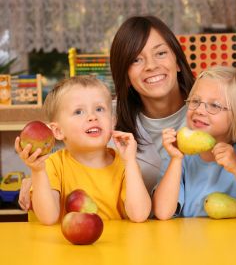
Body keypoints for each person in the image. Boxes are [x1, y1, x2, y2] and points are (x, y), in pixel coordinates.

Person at [18, 15, 195, 210]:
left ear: (177, 61)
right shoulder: (106, 114)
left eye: (160, 53)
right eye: (136, 60)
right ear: (125, 75)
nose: (151, 66)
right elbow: (76, 148)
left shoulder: (210, 110)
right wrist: (38, 176)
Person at [15, 76, 151, 224]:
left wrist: (131, 162)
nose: (92, 117)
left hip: (115, 246)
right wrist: (38, 171)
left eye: (99, 109)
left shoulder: (125, 165)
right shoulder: (52, 165)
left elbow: (139, 215)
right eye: (79, 112)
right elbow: (48, 218)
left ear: (112, 122)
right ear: (58, 131)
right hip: (67, 246)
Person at [152, 66, 236, 219]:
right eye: (195, 101)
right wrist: (176, 159)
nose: (199, 110)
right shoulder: (178, 157)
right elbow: (162, 212)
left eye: (214, 105)